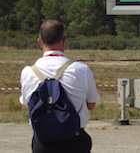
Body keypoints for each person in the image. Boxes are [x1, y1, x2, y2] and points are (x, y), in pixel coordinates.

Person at [20, 20, 100, 153]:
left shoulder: (28, 72)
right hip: (74, 141)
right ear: (64, 41)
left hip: (43, 143)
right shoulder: (81, 69)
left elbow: (27, 103)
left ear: (40, 42)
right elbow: (91, 105)